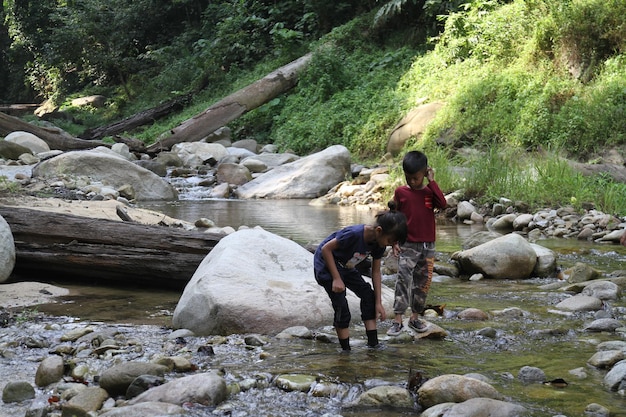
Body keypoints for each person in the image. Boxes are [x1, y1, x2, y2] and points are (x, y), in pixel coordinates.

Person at [314, 208, 408, 351]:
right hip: (327, 264)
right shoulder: (354, 234)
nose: (389, 245)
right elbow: (326, 249)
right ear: (378, 231)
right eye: (390, 241)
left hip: (347, 265)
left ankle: (373, 345)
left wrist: (379, 303)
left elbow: (376, 272)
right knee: (341, 305)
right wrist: (337, 278)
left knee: (368, 295)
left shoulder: (379, 243)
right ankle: (345, 350)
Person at [387, 150, 447, 336]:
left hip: (428, 246)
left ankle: (414, 317)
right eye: (408, 177)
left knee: (422, 282)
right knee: (403, 280)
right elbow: (395, 218)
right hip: (408, 244)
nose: (412, 182)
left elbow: (443, 204)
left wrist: (432, 181)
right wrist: (394, 242)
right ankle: (397, 320)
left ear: (425, 173)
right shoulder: (401, 193)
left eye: (416, 178)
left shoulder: (430, 192)